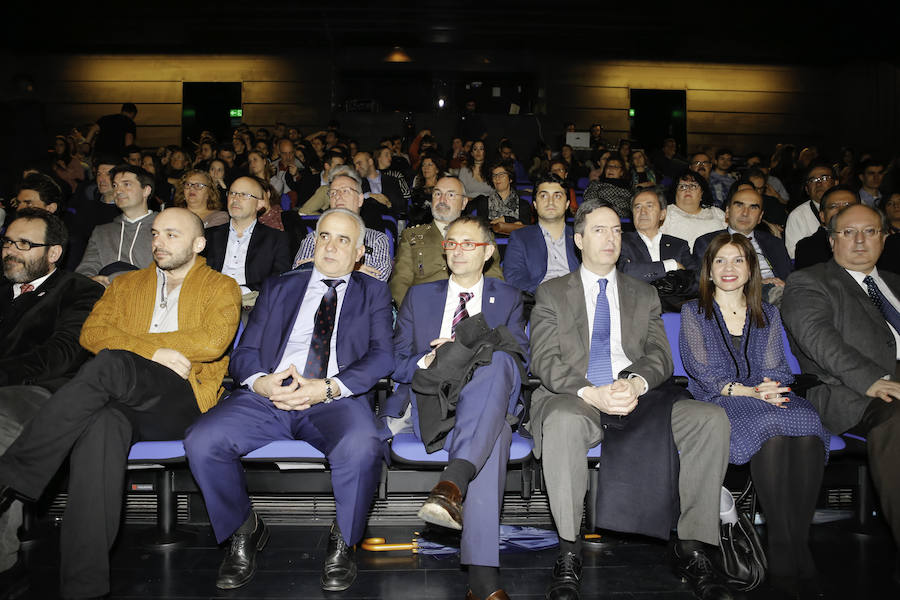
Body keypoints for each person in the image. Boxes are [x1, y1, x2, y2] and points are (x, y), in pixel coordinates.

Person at [0, 208, 241, 599]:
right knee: (102, 427)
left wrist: (138, 350)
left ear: (198, 244)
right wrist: (155, 352)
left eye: (172, 235)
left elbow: (211, 342)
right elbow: (93, 333)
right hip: (126, 400)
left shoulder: (221, 286)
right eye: (156, 234)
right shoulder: (127, 284)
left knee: (113, 362)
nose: (159, 241)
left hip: (183, 399)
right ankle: (84, 586)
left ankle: (13, 474)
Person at [528, 199, 732, 600]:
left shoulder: (644, 293)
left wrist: (636, 382)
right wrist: (592, 391)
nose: (611, 238)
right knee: (564, 422)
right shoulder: (552, 293)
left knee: (710, 419)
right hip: (576, 394)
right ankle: (569, 550)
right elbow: (543, 359)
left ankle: (692, 547)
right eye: (600, 230)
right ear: (579, 239)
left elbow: (659, 355)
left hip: (636, 394)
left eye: (616, 230)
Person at [183, 208, 394, 593]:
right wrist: (262, 383)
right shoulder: (280, 285)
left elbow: (382, 355)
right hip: (268, 396)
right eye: (324, 236)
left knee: (363, 445)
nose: (330, 246)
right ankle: (242, 530)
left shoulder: (373, 292)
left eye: (342, 239)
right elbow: (245, 350)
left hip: (333, 398)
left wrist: (327, 387)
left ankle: (344, 541)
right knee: (202, 439)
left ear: (360, 252)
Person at [387, 215, 527, 600]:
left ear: (488, 251)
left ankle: (452, 486)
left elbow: (521, 362)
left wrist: (473, 352)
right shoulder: (419, 296)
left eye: (469, 243)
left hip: (487, 395)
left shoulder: (509, 297)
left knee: (498, 362)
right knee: (494, 431)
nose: (459, 250)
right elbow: (394, 362)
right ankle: (482, 579)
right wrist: (428, 361)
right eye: (452, 243)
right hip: (434, 404)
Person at [680, 232, 829, 595]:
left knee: (808, 425)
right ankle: (780, 544)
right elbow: (703, 372)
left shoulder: (768, 312)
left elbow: (778, 366)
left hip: (765, 396)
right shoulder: (694, 311)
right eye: (720, 261)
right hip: (721, 399)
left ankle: (799, 539)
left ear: (750, 269)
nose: (729, 268)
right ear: (709, 270)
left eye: (738, 261)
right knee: (772, 430)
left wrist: (768, 387)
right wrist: (747, 390)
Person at [782, 204, 900, 586]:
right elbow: (819, 339)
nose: (861, 240)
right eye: (849, 232)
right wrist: (872, 379)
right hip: (853, 391)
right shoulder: (809, 282)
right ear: (832, 240)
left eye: (870, 231)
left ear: (885, 237)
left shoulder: (896, 283)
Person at [0, 209, 104, 583]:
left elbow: (61, 355)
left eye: (24, 244)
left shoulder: (80, 290)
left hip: (38, 391)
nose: (11, 251)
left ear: (54, 253)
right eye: (8, 241)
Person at [390, 176, 503, 305]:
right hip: (424, 308)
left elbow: (494, 280)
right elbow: (400, 283)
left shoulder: (482, 236)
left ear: (464, 202)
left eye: (450, 195)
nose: (442, 200)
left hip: (471, 309)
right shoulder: (411, 236)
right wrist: (414, 315)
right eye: (437, 194)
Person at [692, 187, 792, 305]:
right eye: (739, 205)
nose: (745, 213)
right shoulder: (707, 242)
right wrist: (757, 284)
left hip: (783, 297)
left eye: (753, 208)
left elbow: (790, 278)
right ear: (727, 212)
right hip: (738, 299)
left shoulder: (774, 243)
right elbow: (704, 285)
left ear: (760, 217)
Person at [292, 166, 393, 282]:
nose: (338, 196)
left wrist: (320, 265)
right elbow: (298, 274)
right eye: (333, 193)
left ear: (360, 199)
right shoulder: (313, 238)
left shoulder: (376, 239)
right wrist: (355, 269)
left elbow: (377, 280)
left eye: (345, 191)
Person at [204, 176, 291, 301]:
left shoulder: (276, 239)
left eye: (244, 195)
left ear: (260, 203)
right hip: (211, 299)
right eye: (232, 193)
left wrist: (241, 291)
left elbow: (280, 278)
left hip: (253, 302)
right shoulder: (209, 235)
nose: (235, 199)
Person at [75, 164, 158, 286]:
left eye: (127, 184)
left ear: (146, 190)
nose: (118, 191)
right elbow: (86, 268)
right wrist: (91, 280)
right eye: (115, 185)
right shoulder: (102, 232)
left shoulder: (163, 230)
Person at [503, 174, 580, 295]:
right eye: (543, 196)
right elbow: (514, 278)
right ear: (535, 204)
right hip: (539, 302)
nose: (550, 201)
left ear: (567, 204)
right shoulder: (520, 238)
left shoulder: (581, 237)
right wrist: (544, 292)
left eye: (557, 196)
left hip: (578, 300)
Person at [618, 186, 695, 284]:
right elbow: (624, 272)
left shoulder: (679, 245)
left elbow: (694, 281)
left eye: (649, 206)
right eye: (638, 207)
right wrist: (670, 265)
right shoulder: (621, 241)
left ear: (662, 214)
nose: (643, 212)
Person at [793, 186, 859, 270]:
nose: (842, 210)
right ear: (822, 216)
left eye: (848, 205)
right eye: (833, 206)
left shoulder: (874, 240)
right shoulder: (808, 247)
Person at [659, 170, 726, 251]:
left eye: (693, 186)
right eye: (682, 187)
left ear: (702, 193)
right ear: (675, 193)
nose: (688, 190)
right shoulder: (665, 214)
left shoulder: (717, 213)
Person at [784, 161, 837, 258]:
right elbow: (795, 256)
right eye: (813, 180)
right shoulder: (798, 216)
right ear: (807, 189)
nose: (819, 183)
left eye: (824, 178)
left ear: (836, 183)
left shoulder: (854, 206)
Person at [464, 160, 532, 235]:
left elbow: (525, 229)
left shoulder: (523, 204)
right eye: (494, 175)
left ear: (510, 179)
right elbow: (483, 228)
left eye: (501, 175)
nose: (497, 178)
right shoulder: (484, 202)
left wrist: (505, 219)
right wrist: (513, 222)